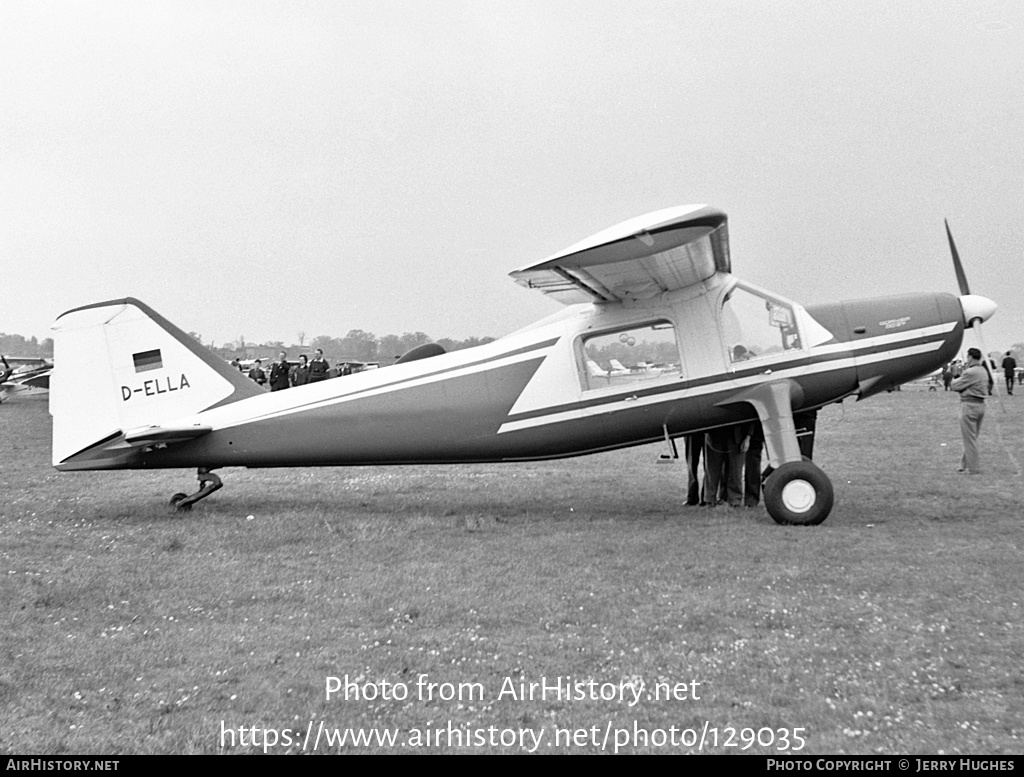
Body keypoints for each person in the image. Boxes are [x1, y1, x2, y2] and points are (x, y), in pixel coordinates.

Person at [950, 348, 988, 474]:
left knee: (969, 439)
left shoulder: (970, 372)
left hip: (969, 406)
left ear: (970, 357)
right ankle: (963, 465)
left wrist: (956, 376)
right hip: (980, 405)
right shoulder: (983, 371)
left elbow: (955, 386)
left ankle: (973, 468)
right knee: (972, 437)